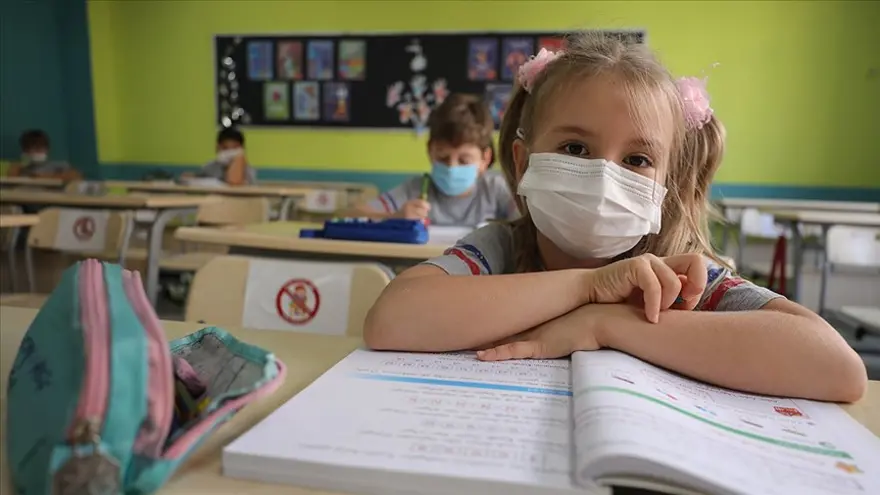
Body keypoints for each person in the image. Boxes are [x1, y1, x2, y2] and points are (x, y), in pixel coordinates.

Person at [363, 33, 867, 403]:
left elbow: (837, 367)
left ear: (667, 183)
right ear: (522, 162)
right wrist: (588, 287)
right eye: (575, 148)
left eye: (637, 159)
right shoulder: (500, 248)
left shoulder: (680, 274)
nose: (604, 176)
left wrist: (607, 324)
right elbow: (391, 321)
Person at [347, 94, 518, 226]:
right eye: (443, 157)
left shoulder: (496, 190)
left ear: (485, 159)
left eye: (464, 160)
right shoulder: (415, 189)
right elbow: (348, 216)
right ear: (430, 152)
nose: (451, 167)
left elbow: (527, 224)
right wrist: (395, 217)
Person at [187, 127, 255, 185]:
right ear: (217, 148)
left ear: (242, 149)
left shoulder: (247, 170)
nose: (229, 152)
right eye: (225, 148)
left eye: (234, 148)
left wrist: (239, 159)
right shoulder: (209, 167)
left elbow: (234, 182)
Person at [8, 129, 81, 180]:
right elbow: (9, 185)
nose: (33, 152)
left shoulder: (58, 166)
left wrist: (43, 177)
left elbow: (77, 176)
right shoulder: (21, 168)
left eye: (38, 148)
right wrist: (18, 167)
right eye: (28, 149)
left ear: (47, 150)